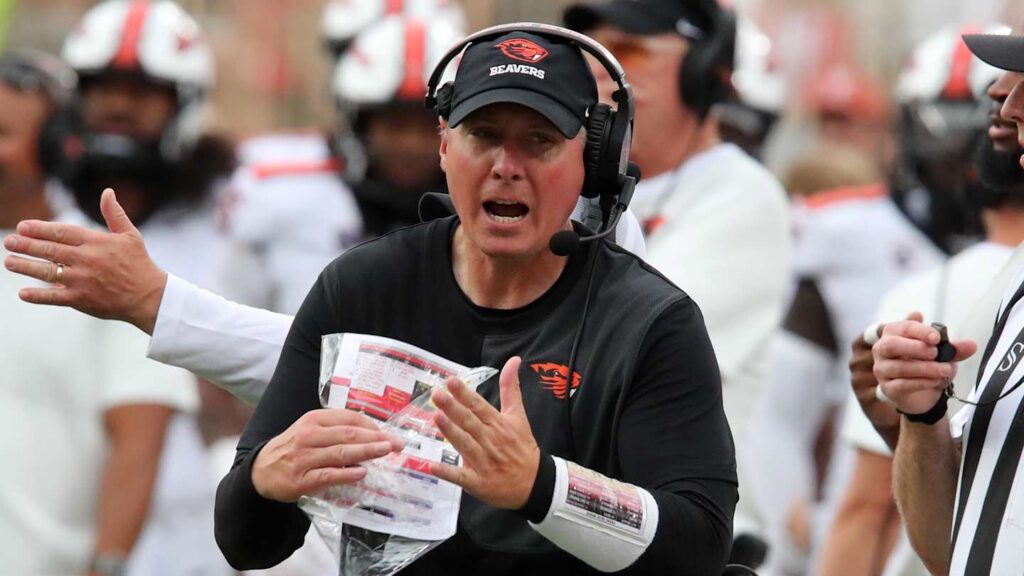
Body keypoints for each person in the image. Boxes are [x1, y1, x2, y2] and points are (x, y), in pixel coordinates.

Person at [211, 23, 736, 574]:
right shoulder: (360, 287)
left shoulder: (651, 323)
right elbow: (246, 543)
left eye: (539, 141)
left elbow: (699, 545)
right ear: (444, 145)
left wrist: (542, 486)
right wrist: (264, 477)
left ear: (592, 162)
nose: (506, 166)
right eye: (483, 135)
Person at [563, 0, 791, 554]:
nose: (602, 69)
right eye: (590, 51)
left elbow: (617, 348)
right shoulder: (574, 186)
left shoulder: (742, 194)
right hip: (585, 521)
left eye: (631, 50)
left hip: (680, 535)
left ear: (701, 73)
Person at [821, 25, 1021, 576]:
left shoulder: (938, 284)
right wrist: (920, 416)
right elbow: (949, 545)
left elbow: (865, 511)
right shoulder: (1012, 277)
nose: (1004, 101)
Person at [0, 49, 196, 576]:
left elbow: (139, 437)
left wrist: (105, 567)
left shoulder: (101, 264)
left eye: (1, 133)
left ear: (53, 147)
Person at [60, 1, 235, 574]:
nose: (118, 106)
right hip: (60, 524)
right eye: (103, 88)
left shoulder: (235, 220)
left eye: (141, 92)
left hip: (201, 534)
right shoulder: (46, 209)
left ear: (184, 101)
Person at [745, 144, 943, 576]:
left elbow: (778, 415)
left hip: (856, 482)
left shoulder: (820, 230)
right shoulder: (932, 258)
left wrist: (793, 519)